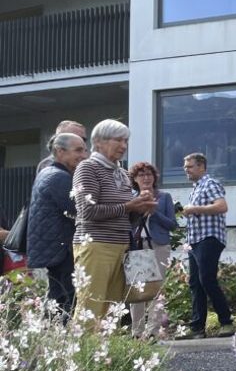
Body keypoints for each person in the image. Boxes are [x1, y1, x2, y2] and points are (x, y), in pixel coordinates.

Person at [72, 120, 156, 321]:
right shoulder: (88, 168)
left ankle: (104, 343)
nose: (123, 146)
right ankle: (85, 342)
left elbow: (126, 216)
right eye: (118, 140)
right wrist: (129, 206)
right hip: (95, 244)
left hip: (121, 245)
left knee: (112, 311)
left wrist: (141, 209)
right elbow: (86, 211)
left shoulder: (123, 173)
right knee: (91, 306)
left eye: (126, 141)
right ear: (98, 142)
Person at [27, 132, 88, 317]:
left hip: (53, 249)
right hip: (62, 250)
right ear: (60, 151)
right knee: (66, 301)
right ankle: (59, 333)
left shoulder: (47, 173)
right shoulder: (60, 177)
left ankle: (50, 332)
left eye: (84, 150)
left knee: (57, 298)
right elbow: (81, 209)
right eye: (78, 150)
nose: (84, 155)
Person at [182, 153, 234, 338]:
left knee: (206, 279)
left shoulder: (210, 183)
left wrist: (194, 209)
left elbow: (222, 206)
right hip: (195, 240)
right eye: (185, 166)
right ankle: (197, 328)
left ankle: (226, 322)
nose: (186, 170)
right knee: (195, 283)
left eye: (190, 166)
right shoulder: (196, 188)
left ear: (202, 166)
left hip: (209, 238)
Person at [127, 161, 178, 337]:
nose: (146, 178)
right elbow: (126, 223)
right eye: (141, 175)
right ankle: (137, 332)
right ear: (134, 179)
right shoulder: (130, 198)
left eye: (149, 174)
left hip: (158, 245)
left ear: (155, 177)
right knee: (137, 289)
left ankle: (153, 332)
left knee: (157, 288)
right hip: (137, 245)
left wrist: (154, 212)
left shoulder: (164, 197)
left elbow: (172, 225)